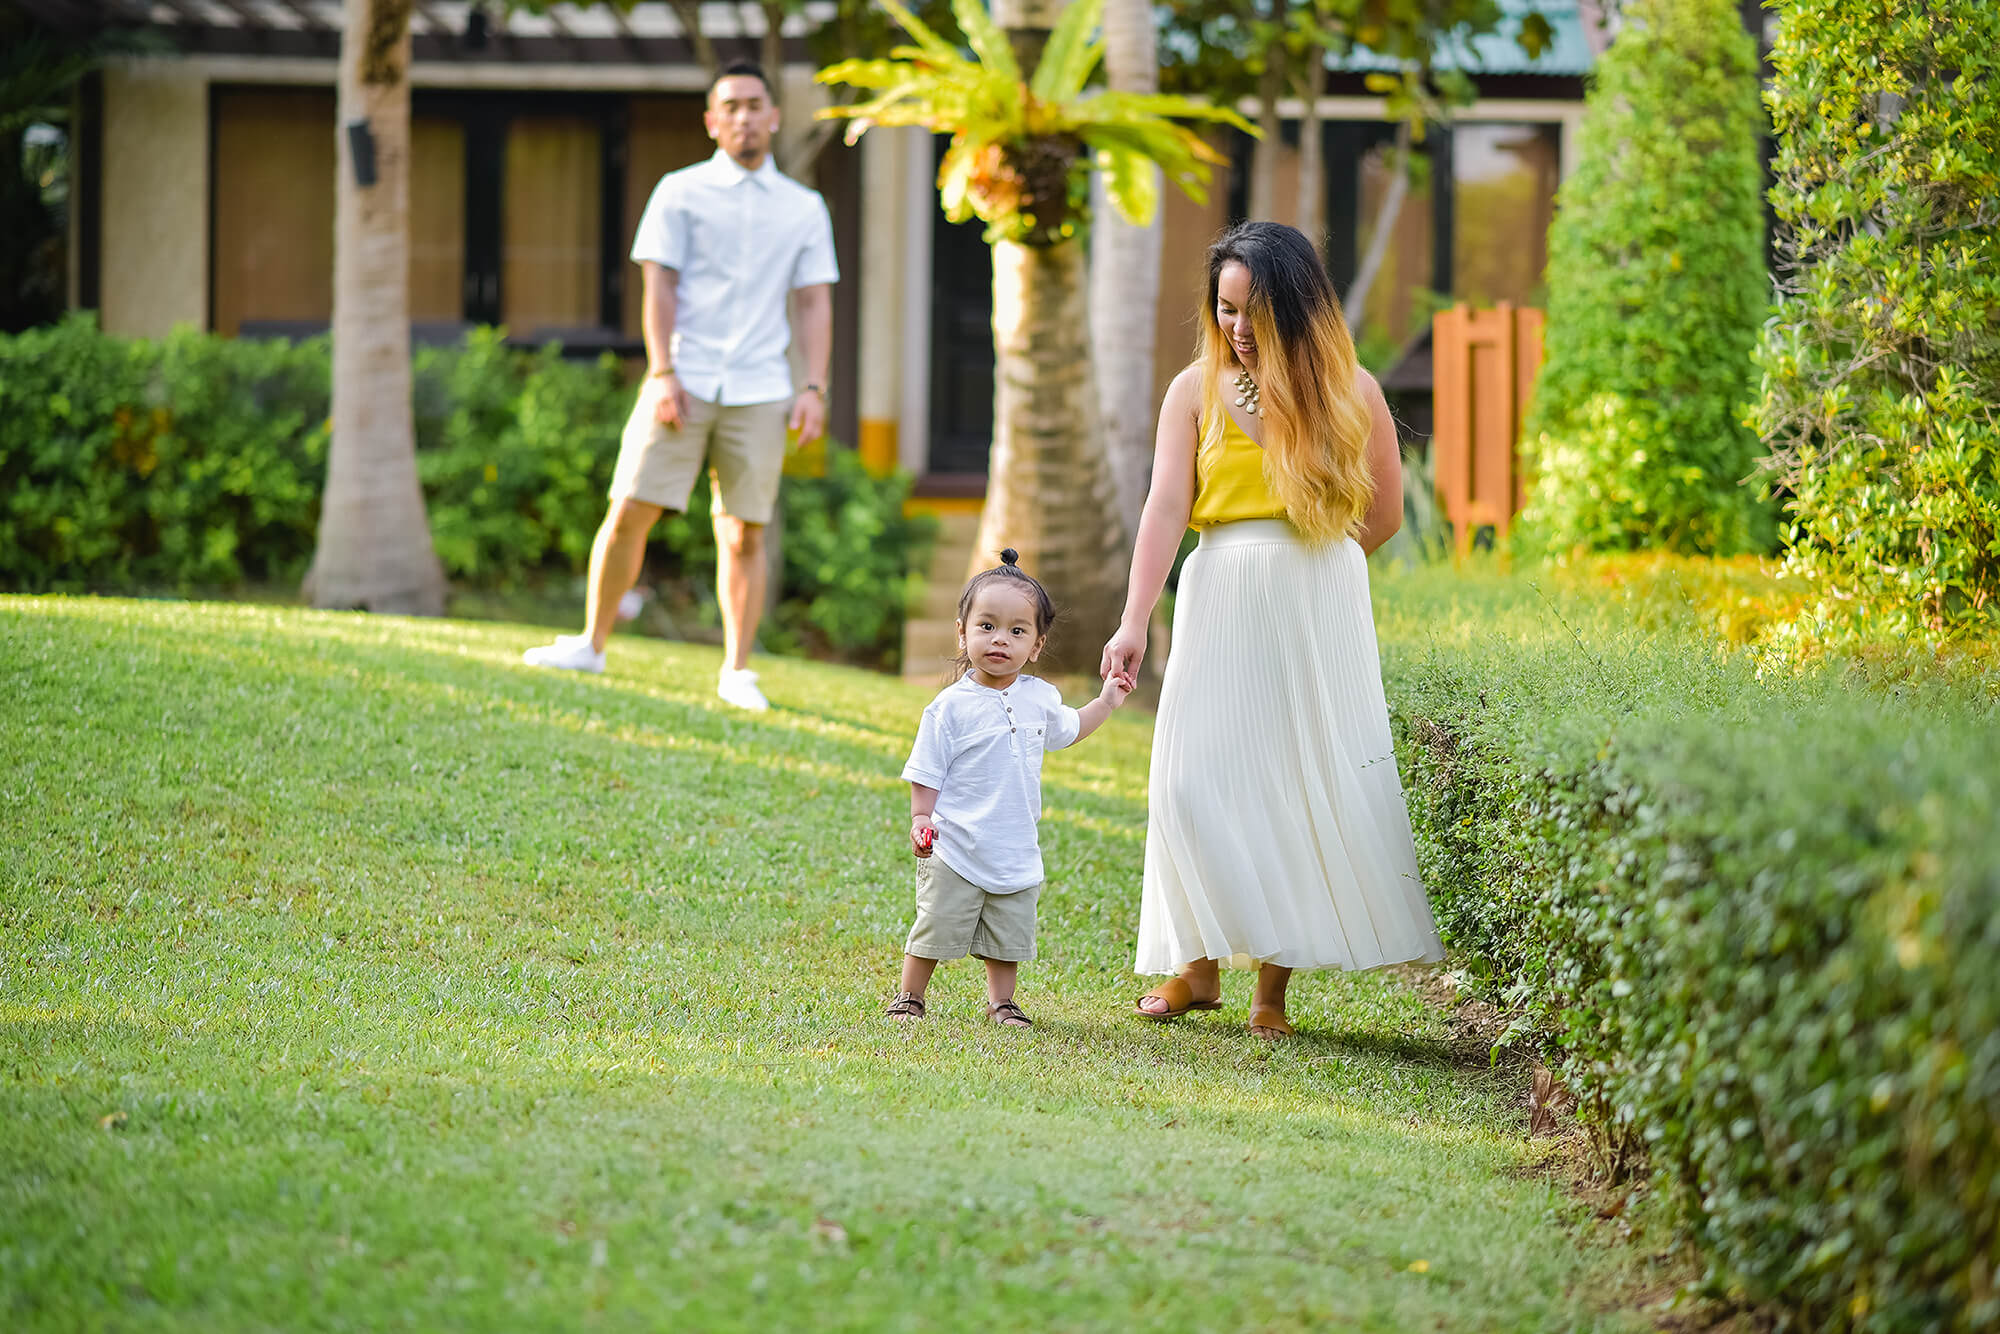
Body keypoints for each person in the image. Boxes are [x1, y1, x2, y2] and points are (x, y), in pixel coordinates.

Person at [1100, 221, 1445, 1041]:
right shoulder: (1191, 391)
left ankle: (1271, 993)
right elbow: (1164, 509)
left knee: (1293, 783)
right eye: (1225, 310)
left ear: (1299, 309)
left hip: (1313, 599)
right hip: (1216, 588)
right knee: (1187, 782)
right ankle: (1196, 967)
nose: (1239, 329)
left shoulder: (1351, 391)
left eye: (1257, 311)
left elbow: (1385, 516)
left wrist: (1310, 564)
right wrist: (1134, 618)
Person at [523, 61, 837, 712]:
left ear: (775, 117)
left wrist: (814, 386)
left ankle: (738, 671)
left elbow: (813, 302)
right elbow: (658, 288)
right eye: (732, 106)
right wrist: (662, 372)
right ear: (712, 121)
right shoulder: (679, 191)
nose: (745, 116)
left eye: (756, 104)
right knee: (630, 507)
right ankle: (590, 643)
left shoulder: (804, 208)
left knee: (744, 530)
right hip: (683, 379)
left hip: (760, 386)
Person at [887, 551, 1136, 1028]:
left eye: (1017, 631)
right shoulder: (949, 707)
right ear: (963, 632)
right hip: (957, 844)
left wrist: (1107, 700)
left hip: (1016, 846)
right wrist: (922, 819)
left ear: (1037, 645)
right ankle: (910, 997)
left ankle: (1002, 1002)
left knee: (1007, 936)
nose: (1000, 639)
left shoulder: (1039, 698)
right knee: (935, 925)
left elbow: (1073, 727)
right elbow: (926, 770)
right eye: (987, 626)